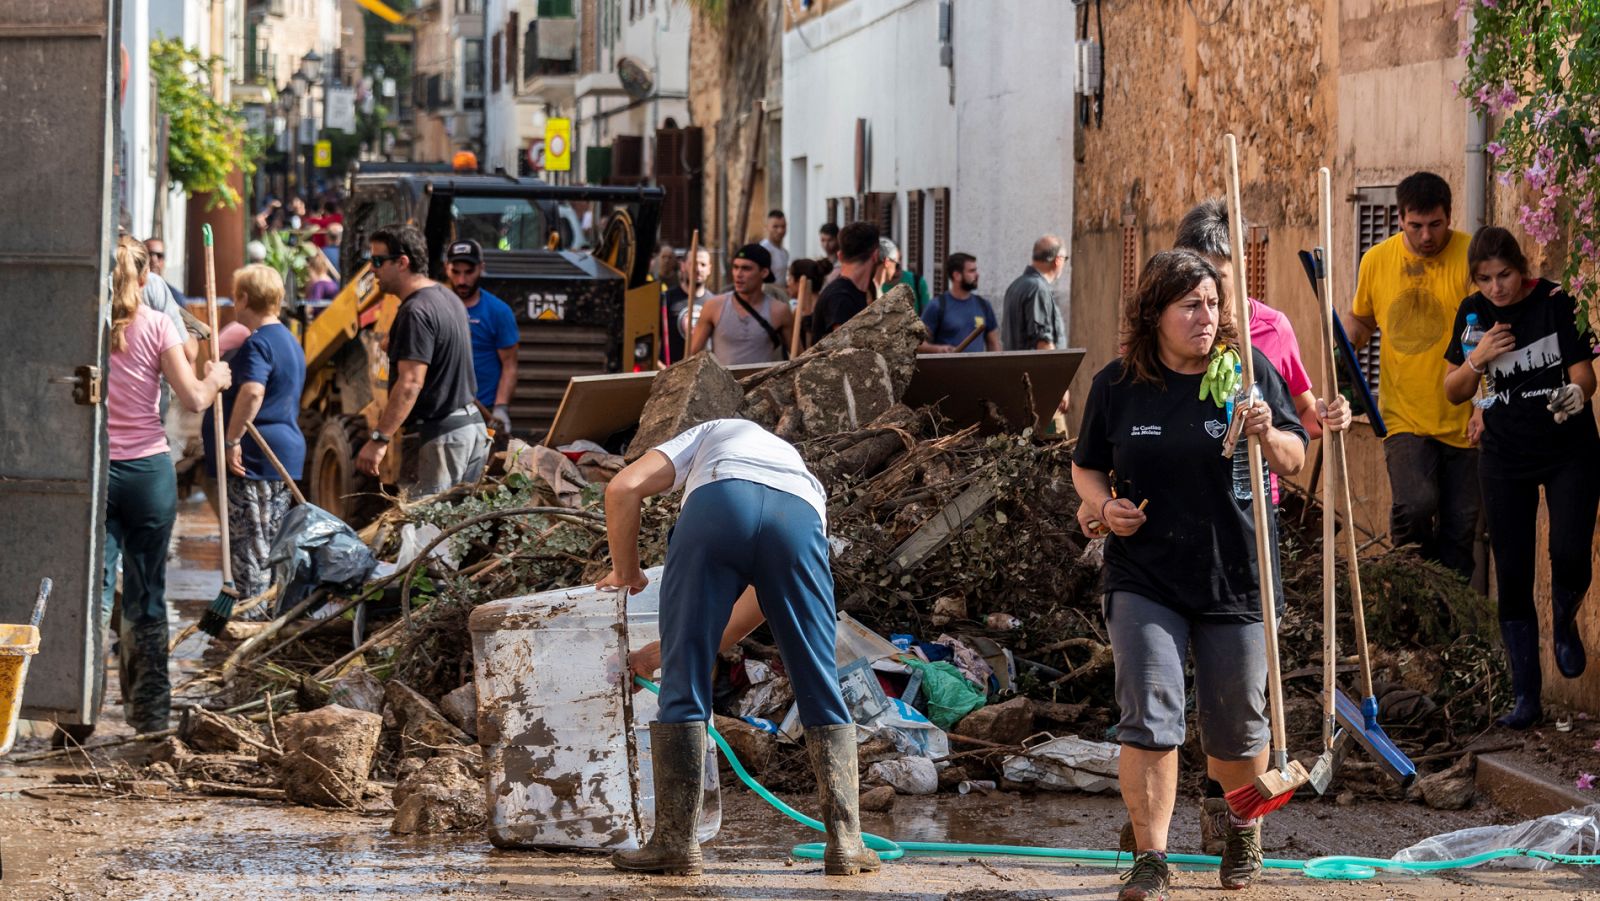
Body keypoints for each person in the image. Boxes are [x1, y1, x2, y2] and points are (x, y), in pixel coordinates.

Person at [1072, 250, 1309, 899]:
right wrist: (1102, 506)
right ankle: (1151, 855)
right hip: (1144, 574)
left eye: (1212, 303)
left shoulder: (1246, 374)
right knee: (1149, 713)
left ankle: (1241, 826)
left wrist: (1267, 432)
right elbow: (1086, 466)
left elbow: (1296, 455)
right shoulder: (1117, 384)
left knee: (1237, 724)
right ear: (1155, 314)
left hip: (1235, 573)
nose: (1208, 316)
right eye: (1191, 305)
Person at [600, 418, 879, 878]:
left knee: (686, 678)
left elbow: (622, 489)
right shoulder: (798, 473)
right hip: (799, 521)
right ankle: (847, 844)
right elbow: (758, 605)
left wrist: (626, 573)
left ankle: (675, 844)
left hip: (719, 506)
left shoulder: (710, 432)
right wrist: (656, 653)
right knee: (817, 677)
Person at [1443, 227, 1600, 730]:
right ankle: (1525, 697)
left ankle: (1565, 618)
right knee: (1512, 572)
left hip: (1568, 449)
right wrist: (1478, 357)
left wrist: (1577, 395)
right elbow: (1452, 390)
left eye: (1505, 275)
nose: (1497, 289)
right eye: (1485, 279)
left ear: (1522, 267)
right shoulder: (1473, 313)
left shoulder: (1556, 301)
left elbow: (1584, 375)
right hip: (1505, 457)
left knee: (1570, 551)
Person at [103, 236, 231, 735]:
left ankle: (80, 710)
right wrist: (217, 375)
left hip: (100, 474)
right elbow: (195, 397)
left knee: (95, 593)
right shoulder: (157, 324)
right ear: (143, 280)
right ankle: (150, 713)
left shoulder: (91, 327)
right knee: (147, 593)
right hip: (148, 474)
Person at [1343, 171, 1478, 579]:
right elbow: (1362, 320)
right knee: (1415, 505)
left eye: (1435, 225)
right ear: (1400, 218)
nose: (1426, 236)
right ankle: (1410, 601)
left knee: (1461, 527)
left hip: (1464, 416)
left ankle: (1451, 628)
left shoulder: (1471, 258)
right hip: (1403, 415)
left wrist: (1484, 406)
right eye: (1415, 226)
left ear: (1449, 217)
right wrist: (1345, 342)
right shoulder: (1377, 261)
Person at [201, 264, 307, 608]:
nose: (234, 304)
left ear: (245, 298)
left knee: (251, 547)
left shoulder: (258, 344)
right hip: (283, 456)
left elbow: (252, 392)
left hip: (256, 457)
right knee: (272, 543)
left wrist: (231, 440)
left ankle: (249, 619)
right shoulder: (290, 341)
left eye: (236, 297)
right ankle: (266, 617)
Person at [356, 225, 489, 497]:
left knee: (422, 530)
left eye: (378, 261)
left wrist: (379, 440)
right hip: (468, 428)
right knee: (455, 530)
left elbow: (410, 383)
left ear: (402, 262)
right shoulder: (446, 297)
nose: (372, 269)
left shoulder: (415, 311)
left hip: (441, 436)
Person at [445, 240, 519, 436]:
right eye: (456, 272)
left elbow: (509, 365)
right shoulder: (436, 308)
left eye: (469, 272)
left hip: (482, 413)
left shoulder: (498, 312)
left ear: (481, 268)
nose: (462, 280)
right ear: (447, 269)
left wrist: (501, 409)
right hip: (442, 411)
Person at [687, 244, 793, 365]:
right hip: (722, 383)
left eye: (746, 268)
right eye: (735, 267)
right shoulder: (713, 306)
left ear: (764, 272)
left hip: (762, 383)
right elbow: (692, 356)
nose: (738, 274)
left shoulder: (779, 311)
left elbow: (798, 356)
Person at [807, 221, 880, 346]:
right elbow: (848, 353)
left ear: (840, 256)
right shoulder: (841, 298)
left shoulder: (849, 294)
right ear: (875, 255)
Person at [919, 252, 999, 353]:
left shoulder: (983, 305)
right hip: (948, 368)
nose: (977, 275)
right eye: (971, 271)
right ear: (957, 275)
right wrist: (938, 349)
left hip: (977, 369)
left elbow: (994, 343)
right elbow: (918, 344)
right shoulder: (937, 306)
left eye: (976, 270)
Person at [1002, 235, 1068, 351]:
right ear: (1058, 260)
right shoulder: (1038, 288)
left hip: (1015, 367)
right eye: (1065, 259)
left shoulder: (1015, 285)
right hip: (1034, 368)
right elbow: (1042, 342)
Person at [663, 247, 712, 365]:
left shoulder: (714, 303)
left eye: (703, 264)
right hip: (670, 374)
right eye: (693, 263)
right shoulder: (666, 299)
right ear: (683, 266)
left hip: (702, 374)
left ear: (709, 269)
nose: (698, 269)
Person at [877, 238, 930, 313]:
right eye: (895, 260)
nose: (898, 264)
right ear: (886, 262)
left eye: (900, 259)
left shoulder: (917, 281)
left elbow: (927, 315)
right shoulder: (873, 287)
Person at [759, 209, 791, 285]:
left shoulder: (784, 252)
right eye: (775, 227)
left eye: (783, 226)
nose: (780, 231)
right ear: (766, 227)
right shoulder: (762, 250)